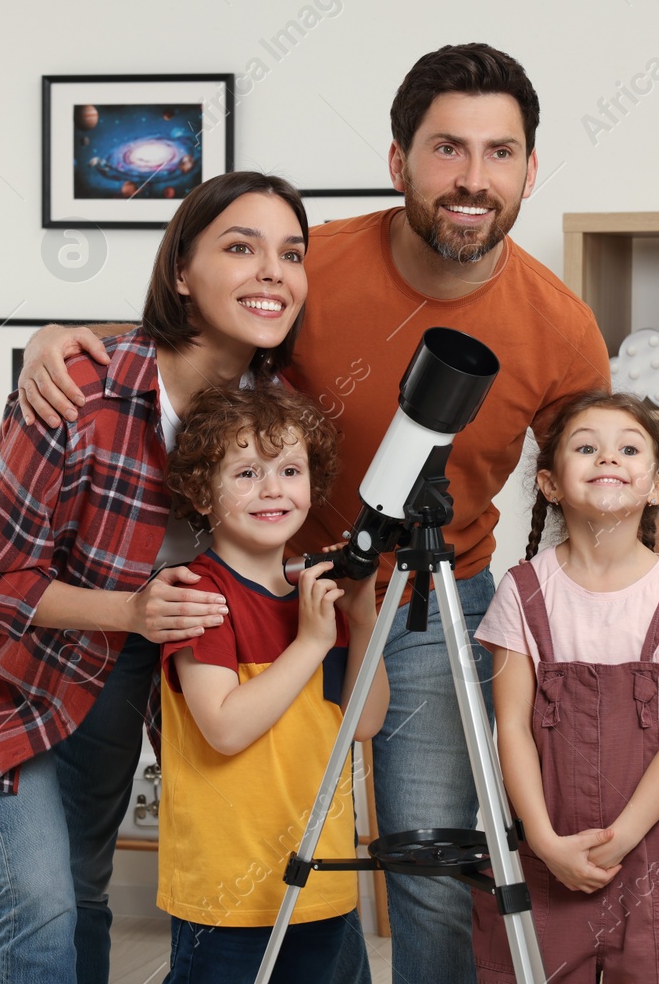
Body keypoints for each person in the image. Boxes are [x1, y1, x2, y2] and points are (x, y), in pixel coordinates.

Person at [15, 44, 659, 983]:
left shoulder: (559, 326)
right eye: (448, 149)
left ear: (529, 169)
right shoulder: (318, 267)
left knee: (428, 860)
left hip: (439, 604)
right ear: (399, 162)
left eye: (500, 153)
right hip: (289, 592)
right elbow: (201, 340)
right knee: (272, 842)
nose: (474, 179)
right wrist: (64, 339)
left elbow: (596, 476)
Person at [0, 171, 329, 984]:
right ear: (180, 271)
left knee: (86, 878)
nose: (273, 270)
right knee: (44, 897)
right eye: (241, 247)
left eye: (291, 253)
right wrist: (133, 609)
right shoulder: (78, 395)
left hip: (123, 645)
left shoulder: (269, 404)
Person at [471, 390, 659, 982]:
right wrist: (545, 841)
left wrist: (623, 837)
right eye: (587, 448)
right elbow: (510, 728)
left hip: (657, 853)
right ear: (551, 484)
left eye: (628, 449)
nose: (608, 458)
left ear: (656, 485)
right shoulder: (522, 591)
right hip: (545, 848)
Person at [156, 383, 388, 983]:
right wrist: (311, 644)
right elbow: (226, 728)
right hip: (227, 889)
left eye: (289, 469)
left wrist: (359, 624)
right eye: (246, 473)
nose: (272, 489)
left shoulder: (319, 598)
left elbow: (364, 722)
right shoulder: (199, 594)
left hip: (320, 872)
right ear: (202, 495)